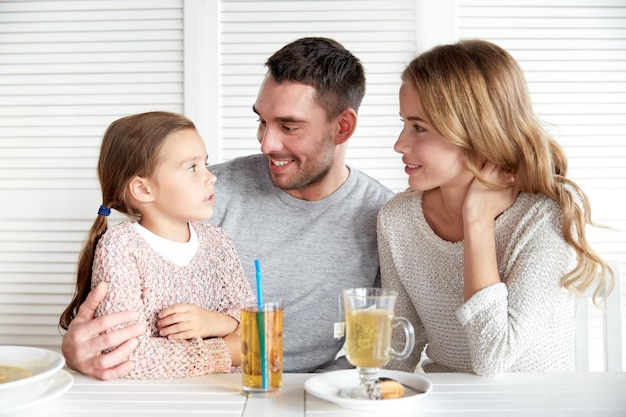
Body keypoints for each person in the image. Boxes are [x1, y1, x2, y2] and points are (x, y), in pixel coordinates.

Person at [60, 38, 394, 379]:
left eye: (289, 126)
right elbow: (114, 333)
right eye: (262, 121)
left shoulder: (385, 218)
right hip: (208, 388)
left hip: (317, 389)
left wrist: (319, 392)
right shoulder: (203, 195)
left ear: (343, 127)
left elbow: (387, 345)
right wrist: (79, 348)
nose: (266, 143)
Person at [378, 39, 614, 376]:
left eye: (419, 128)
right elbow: (396, 353)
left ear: (476, 132)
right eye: (403, 123)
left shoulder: (545, 217)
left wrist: (477, 220)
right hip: (447, 405)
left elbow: (494, 358)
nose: (399, 144)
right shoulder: (397, 219)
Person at [59, 111, 254, 379]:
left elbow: (255, 328)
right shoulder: (121, 247)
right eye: (191, 167)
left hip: (225, 394)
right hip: (152, 398)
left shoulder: (218, 241)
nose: (211, 177)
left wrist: (212, 322)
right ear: (143, 190)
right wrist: (225, 351)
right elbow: (125, 355)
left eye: (205, 164)